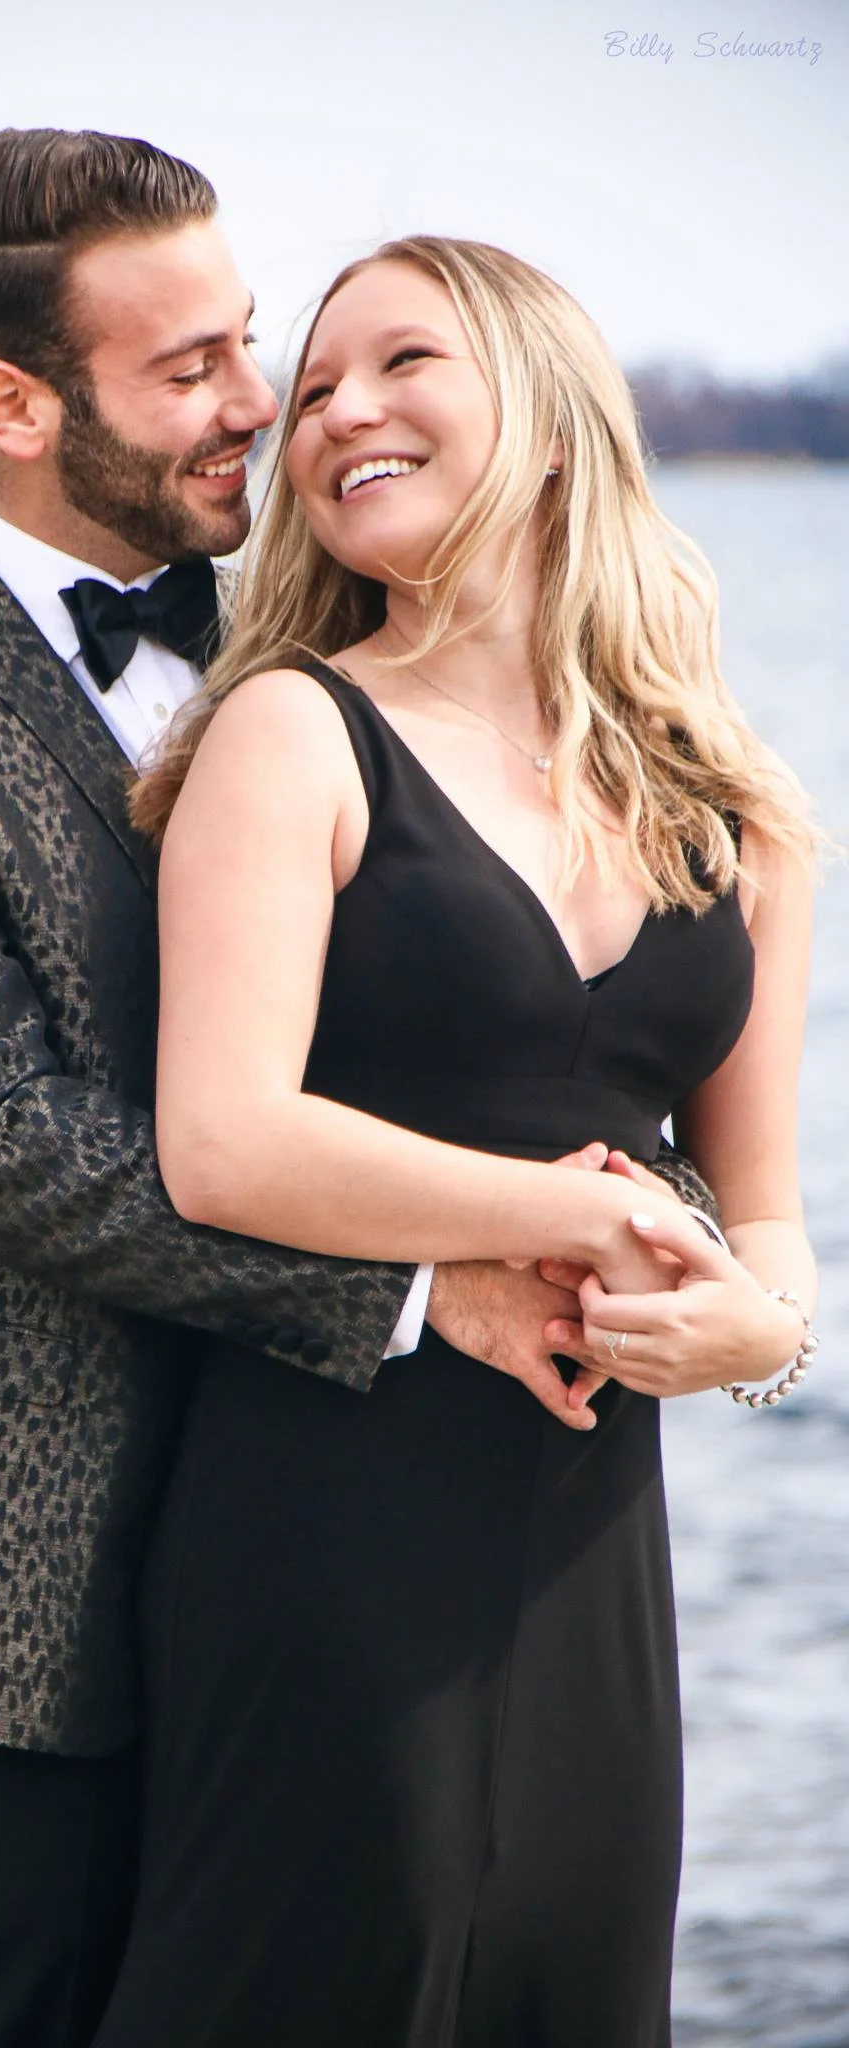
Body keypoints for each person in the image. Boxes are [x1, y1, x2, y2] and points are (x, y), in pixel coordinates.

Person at [0, 133, 717, 2045]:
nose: (264, 405)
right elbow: (0, 1144)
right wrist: (429, 1287)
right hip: (23, 1583)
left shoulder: (337, 637)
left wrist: (721, 1286)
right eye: (190, 368)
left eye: (253, 342)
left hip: (344, 1542)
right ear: (13, 405)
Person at [86, 237, 819, 2048]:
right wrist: (574, 1215)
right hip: (320, 1508)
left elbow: (778, 1225)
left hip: (590, 1539)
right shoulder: (289, 733)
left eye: (400, 363)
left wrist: (766, 1340)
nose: (337, 414)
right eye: (313, 388)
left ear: (551, 416)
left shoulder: (740, 810)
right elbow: (223, 1143)